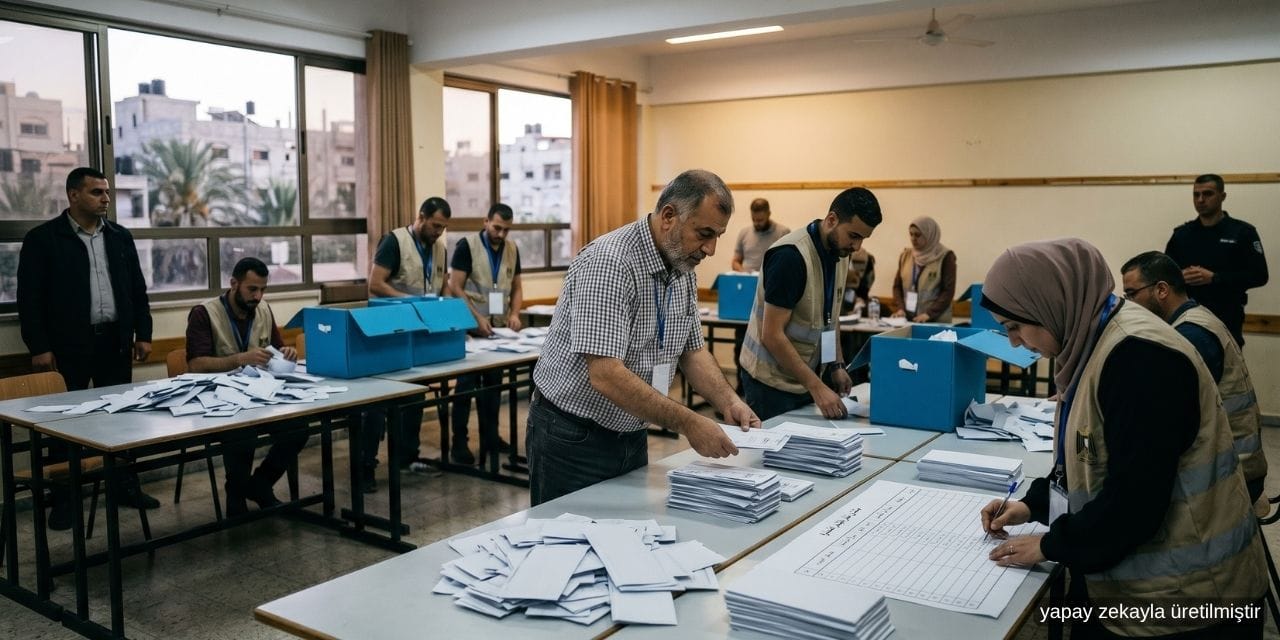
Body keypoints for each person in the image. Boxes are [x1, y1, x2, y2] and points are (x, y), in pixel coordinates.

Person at [978, 239, 1265, 640]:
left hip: (1188, 603)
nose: (1013, 342)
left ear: (1050, 304)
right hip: (1153, 582)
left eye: (1015, 326)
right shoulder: (1092, 342)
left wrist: (1050, 545)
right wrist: (1032, 504)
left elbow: (1136, 499)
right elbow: (1090, 457)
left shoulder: (1140, 357)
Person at [527, 169, 760, 505]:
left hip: (631, 430)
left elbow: (693, 352)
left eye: (718, 236)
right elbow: (605, 374)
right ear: (669, 216)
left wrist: (730, 402)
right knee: (566, 545)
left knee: (625, 540)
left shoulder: (682, 267)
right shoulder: (610, 263)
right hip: (572, 435)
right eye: (704, 233)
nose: (710, 249)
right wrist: (690, 422)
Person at [17, 167, 159, 530]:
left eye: (107, 192)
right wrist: (39, 347)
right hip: (67, 346)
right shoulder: (44, 239)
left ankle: (123, 485)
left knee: (121, 418)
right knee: (64, 423)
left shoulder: (119, 237)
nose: (106, 199)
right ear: (73, 195)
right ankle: (63, 499)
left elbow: (137, 289)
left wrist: (143, 332)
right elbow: (29, 300)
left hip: (114, 341)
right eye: (97, 192)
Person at [1120, 251, 1267, 503]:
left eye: (1132, 293)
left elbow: (1160, 416)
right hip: (1235, 463)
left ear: (1162, 290)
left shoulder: (1191, 336)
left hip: (1231, 474)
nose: (1129, 303)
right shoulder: (1193, 320)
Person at [739, 188, 883, 420]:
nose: (857, 247)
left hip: (804, 378)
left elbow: (830, 316)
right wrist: (817, 387)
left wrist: (836, 364)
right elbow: (772, 335)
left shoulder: (839, 253)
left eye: (863, 239)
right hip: (770, 383)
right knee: (777, 456)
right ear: (832, 220)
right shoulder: (790, 257)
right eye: (854, 236)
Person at [186, 257, 305, 516]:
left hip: (260, 397)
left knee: (298, 428)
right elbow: (195, 365)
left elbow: (276, 349)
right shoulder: (204, 313)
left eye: (263, 289)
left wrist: (287, 352)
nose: (258, 296)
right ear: (234, 284)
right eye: (252, 289)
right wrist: (239, 359)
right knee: (243, 434)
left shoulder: (263, 310)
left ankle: (260, 484)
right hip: (219, 402)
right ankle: (236, 494)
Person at [361, 197, 451, 491]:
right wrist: (410, 303)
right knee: (377, 405)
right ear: (421, 217)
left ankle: (406, 457)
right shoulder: (394, 242)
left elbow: (439, 288)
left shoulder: (440, 249)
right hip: (389, 333)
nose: (439, 232)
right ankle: (366, 466)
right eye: (435, 225)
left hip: (419, 334)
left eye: (443, 227)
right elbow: (375, 284)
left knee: (415, 397)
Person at [445, 203, 524, 464]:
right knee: (465, 389)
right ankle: (460, 443)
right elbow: (455, 287)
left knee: (493, 387)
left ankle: (490, 437)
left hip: (496, 331)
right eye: (497, 227)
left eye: (506, 230)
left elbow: (516, 286)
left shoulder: (512, 249)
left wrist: (514, 313)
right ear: (486, 221)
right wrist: (475, 317)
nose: (501, 234)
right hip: (470, 330)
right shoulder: (467, 246)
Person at [1165, 174, 1268, 347]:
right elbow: (1164, 274)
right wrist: (1179, 276)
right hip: (1187, 318)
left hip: (1226, 318)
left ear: (1223, 196)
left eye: (1207, 194)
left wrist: (1215, 278)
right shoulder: (1182, 234)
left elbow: (1259, 275)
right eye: (1196, 194)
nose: (1200, 199)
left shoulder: (1242, 232)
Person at [891, 216, 956, 322]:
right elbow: (897, 287)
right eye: (911, 234)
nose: (913, 238)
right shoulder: (905, 255)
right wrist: (900, 309)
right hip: (909, 320)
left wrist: (929, 314)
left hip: (935, 321)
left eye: (917, 235)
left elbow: (948, 291)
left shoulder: (946, 256)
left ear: (929, 235)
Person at [731, 198, 789, 272]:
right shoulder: (744, 233)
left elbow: (787, 261)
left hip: (771, 279)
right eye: (753, 219)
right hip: (749, 279)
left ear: (768, 214)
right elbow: (735, 262)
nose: (756, 223)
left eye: (760, 220)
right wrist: (743, 271)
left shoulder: (783, 232)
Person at [841, 248, 876, 315]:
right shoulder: (845, 262)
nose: (859, 271)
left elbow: (866, 286)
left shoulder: (869, 266)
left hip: (859, 300)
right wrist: (855, 298)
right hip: (845, 300)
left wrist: (860, 299)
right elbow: (848, 289)